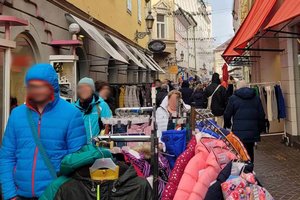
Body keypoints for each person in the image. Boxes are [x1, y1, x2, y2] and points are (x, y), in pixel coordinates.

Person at [0, 63, 87, 200]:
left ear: (52, 86)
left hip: (56, 194)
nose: (35, 90)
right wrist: (10, 194)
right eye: (31, 86)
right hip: (20, 195)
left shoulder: (71, 114)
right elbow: (7, 156)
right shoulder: (17, 115)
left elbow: (77, 163)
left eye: (40, 86)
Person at [224, 80, 265, 162]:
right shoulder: (256, 98)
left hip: (238, 131)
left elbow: (227, 114)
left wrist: (227, 125)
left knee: (239, 151)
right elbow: (261, 114)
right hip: (252, 130)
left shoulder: (233, 98)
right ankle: (250, 169)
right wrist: (260, 128)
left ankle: (242, 170)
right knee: (250, 151)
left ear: (237, 87)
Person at [74, 77, 112, 143]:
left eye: (87, 88)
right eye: (81, 88)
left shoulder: (102, 106)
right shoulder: (73, 108)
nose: (83, 91)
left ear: (92, 90)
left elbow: (108, 126)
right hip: (80, 150)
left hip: (98, 149)